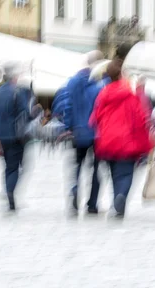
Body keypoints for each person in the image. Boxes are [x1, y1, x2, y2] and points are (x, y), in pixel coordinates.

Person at [90, 44, 153, 218]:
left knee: (114, 173)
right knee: (125, 174)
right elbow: (141, 117)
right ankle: (120, 197)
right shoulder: (131, 94)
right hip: (127, 141)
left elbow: (95, 118)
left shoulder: (103, 94)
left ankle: (117, 203)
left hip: (107, 142)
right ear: (122, 74)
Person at [66, 50, 105, 215]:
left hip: (78, 131)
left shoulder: (73, 82)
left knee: (77, 165)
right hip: (97, 133)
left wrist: (68, 127)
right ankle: (92, 204)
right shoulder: (101, 84)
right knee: (96, 169)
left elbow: (66, 105)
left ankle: (75, 189)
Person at [0, 64, 30, 212]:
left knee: (8, 166)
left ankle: (8, 190)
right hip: (16, 135)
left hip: (3, 135)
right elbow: (24, 112)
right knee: (18, 167)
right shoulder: (17, 91)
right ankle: (10, 191)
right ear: (14, 77)